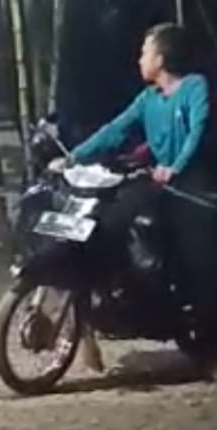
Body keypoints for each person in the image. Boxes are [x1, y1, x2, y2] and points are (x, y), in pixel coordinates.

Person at [62, 22, 216, 325]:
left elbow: (197, 131)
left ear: (161, 59)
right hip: (160, 183)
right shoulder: (148, 98)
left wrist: (176, 167)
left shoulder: (194, 86)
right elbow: (115, 129)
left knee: (195, 257)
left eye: (145, 52)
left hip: (193, 187)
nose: (139, 59)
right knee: (112, 219)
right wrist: (73, 157)